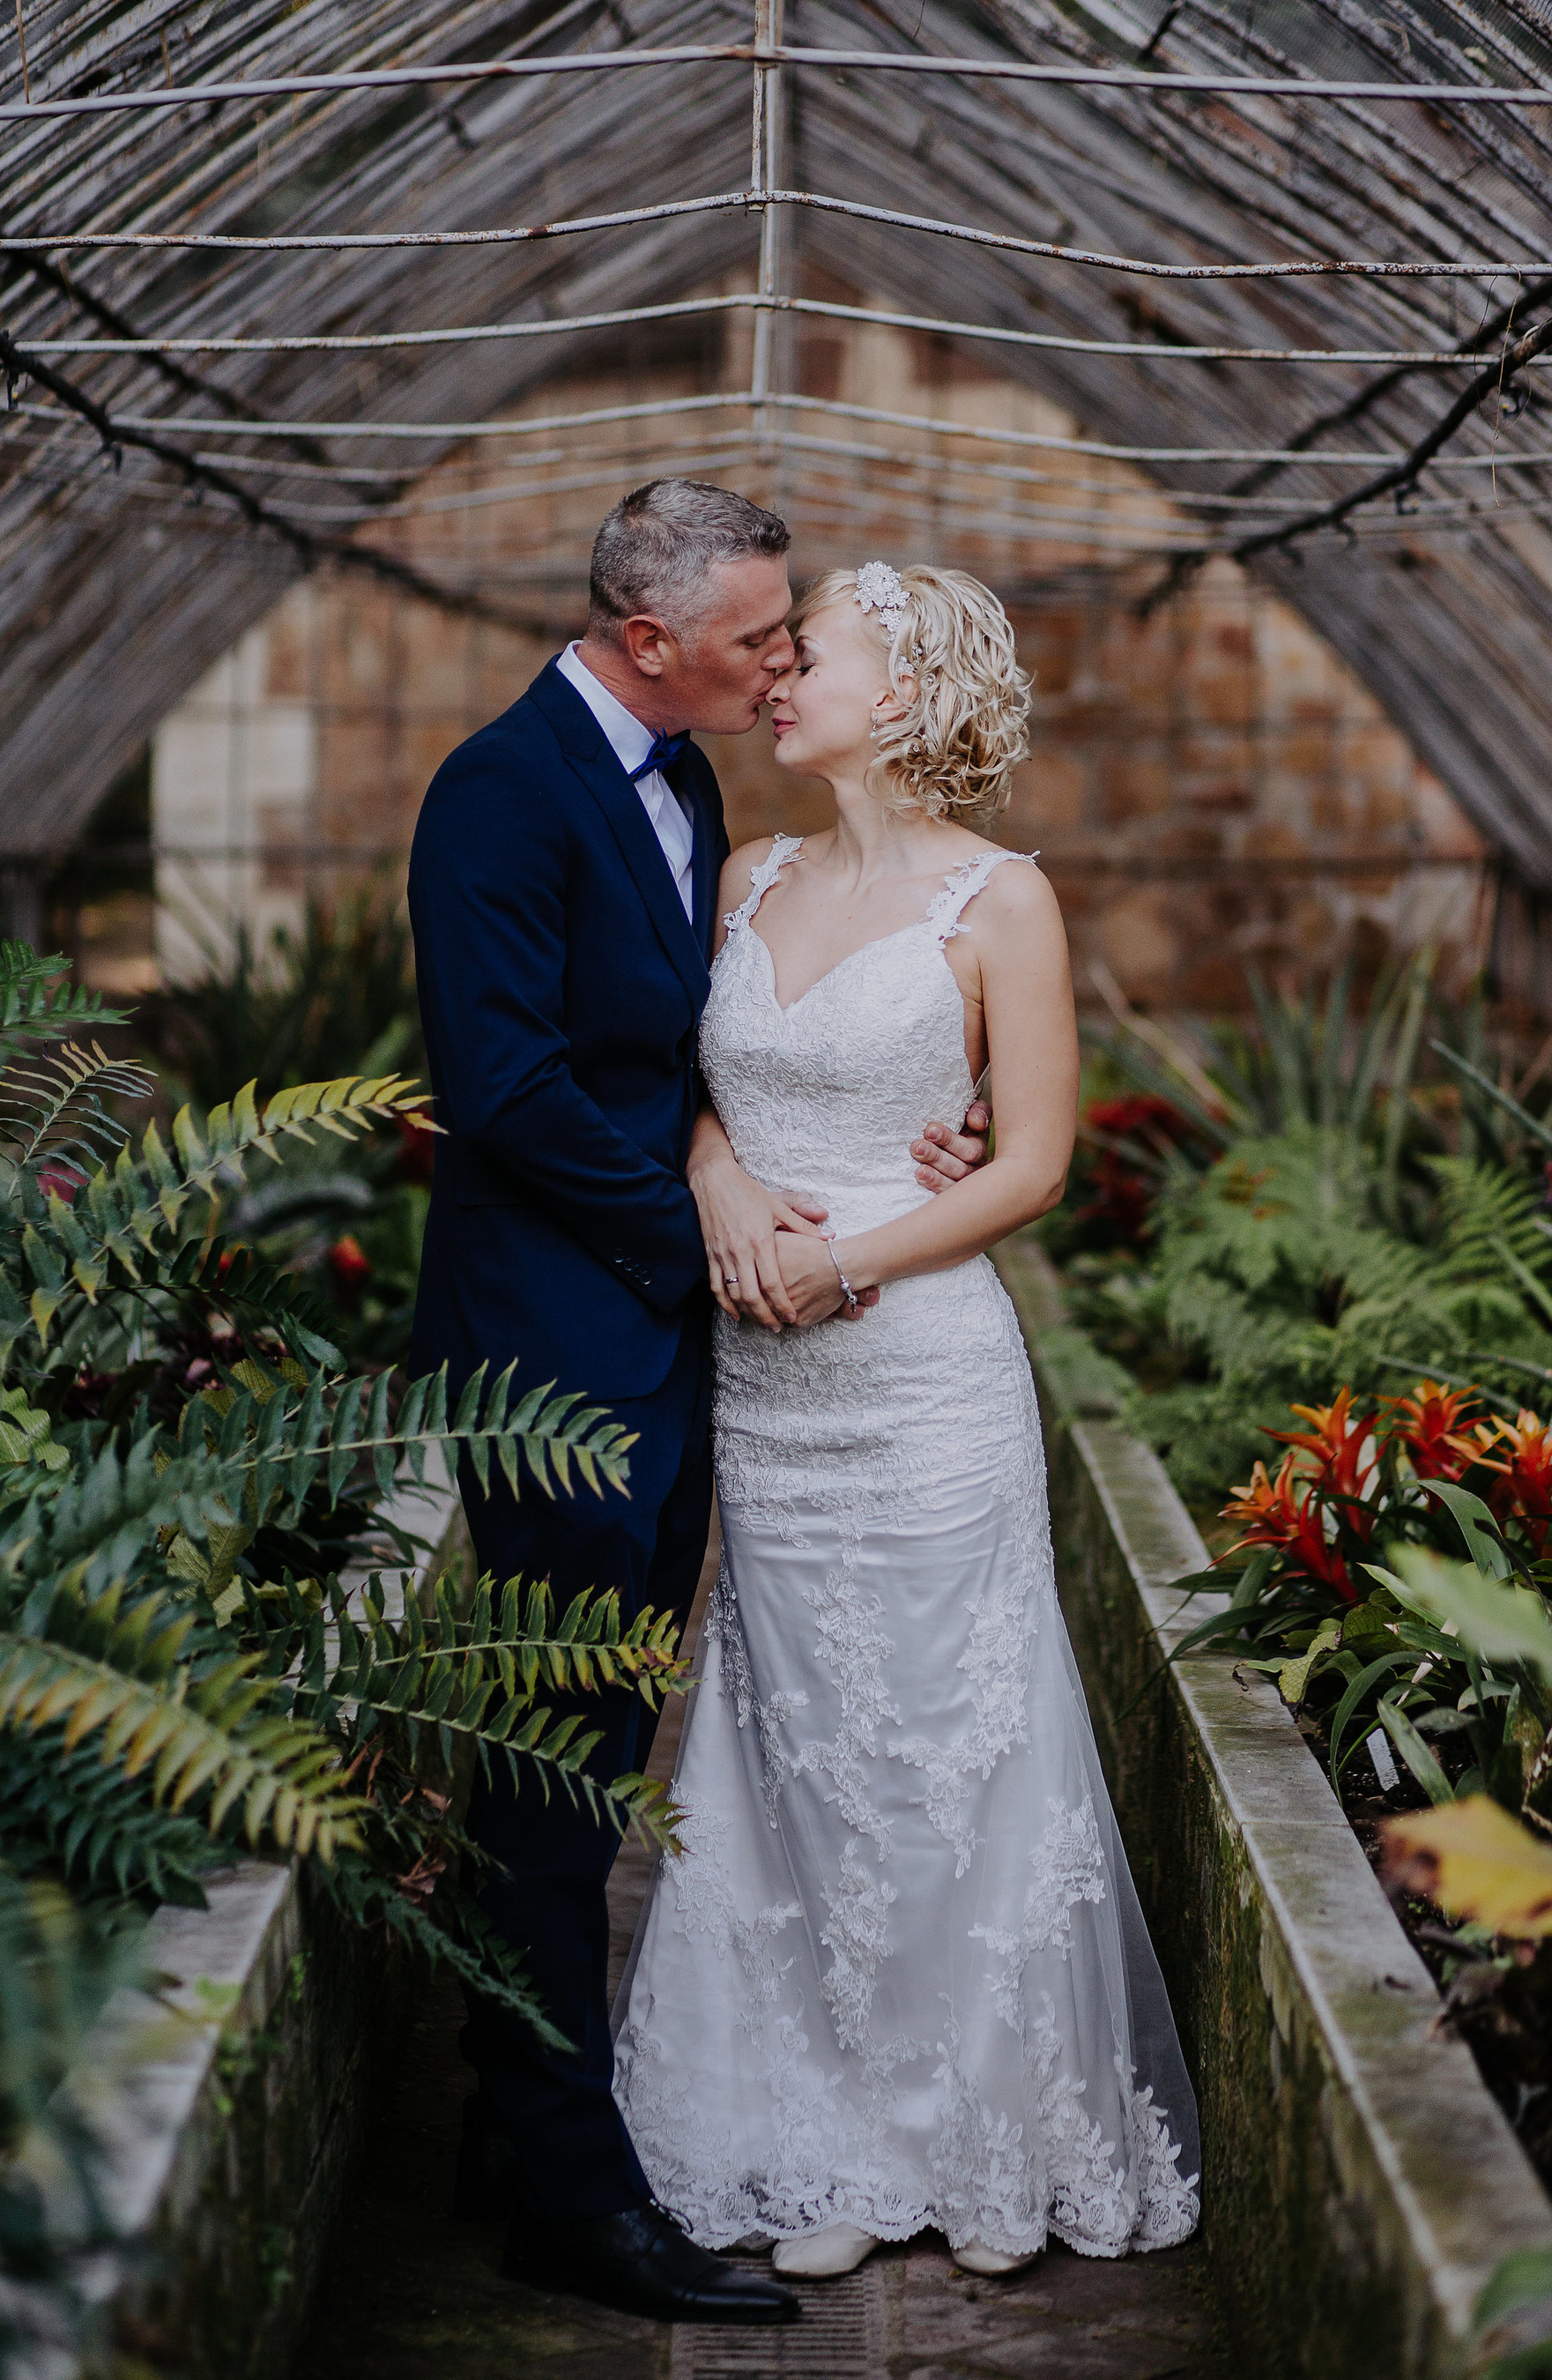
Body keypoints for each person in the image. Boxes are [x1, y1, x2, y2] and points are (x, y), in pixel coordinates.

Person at [407, 486, 990, 2326]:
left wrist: (847, 1148)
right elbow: (502, 1093)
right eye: (759, 636)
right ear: (649, 640)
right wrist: (705, 1206)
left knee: (585, 1762)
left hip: (668, 1361)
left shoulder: (690, 783)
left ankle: (524, 2123)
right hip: (553, 1363)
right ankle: (578, 2199)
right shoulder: (500, 793)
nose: (784, 658)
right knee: (549, 1784)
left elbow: (684, 1048)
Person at [613, 562, 1201, 2278]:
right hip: (772, 1390)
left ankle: (950, 2131)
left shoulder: (1004, 904)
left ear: (918, 692)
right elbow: (690, 1091)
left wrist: (842, 1260)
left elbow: (1030, 1161)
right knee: (797, 1738)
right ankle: (816, 2122)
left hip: (923, 1369)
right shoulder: (747, 874)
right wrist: (725, 1191)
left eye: (820, 656)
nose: (781, 677)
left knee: (947, 1739)